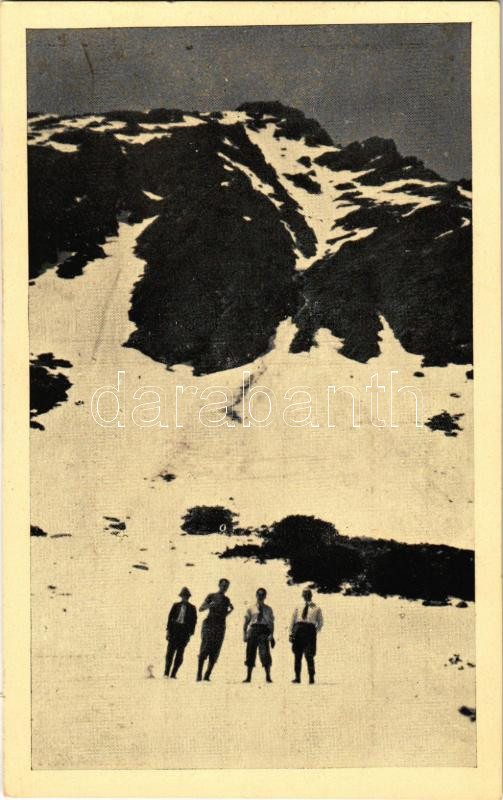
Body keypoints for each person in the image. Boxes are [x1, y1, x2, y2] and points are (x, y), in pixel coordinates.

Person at [197, 578, 234, 681]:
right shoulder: (211, 596)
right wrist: (210, 605)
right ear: (219, 585)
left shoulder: (227, 600)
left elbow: (224, 614)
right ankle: (199, 675)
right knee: (205, 648)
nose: (224, 587)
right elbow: (201, 608)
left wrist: (230, 611)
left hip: (220, 625)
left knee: (215, 650)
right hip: (209, 624)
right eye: (223, 585)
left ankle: (207, 675)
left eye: (226, 586)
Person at [289, 588, 323, 684]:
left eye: (308, 594)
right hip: (298, 631)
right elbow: (293, 620)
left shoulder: (316, 608)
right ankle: (297, 678)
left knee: (309, 655)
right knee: (297, 655)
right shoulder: (298, 606)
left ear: (311, 595)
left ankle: (311, 678)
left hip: (309, 632)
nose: (306, 596)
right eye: (304, 594)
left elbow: (320, 622)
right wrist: (291, 633)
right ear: (302, 596)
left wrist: (314, 631)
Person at [243, 588, 275, 683]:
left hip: (263, 630)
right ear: (256, 595)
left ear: (265, 596)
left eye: (262, 595)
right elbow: (246, 622)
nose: (260, 596)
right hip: (253, 630)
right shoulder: (251, 608)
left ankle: (268, 677)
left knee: (265, 653)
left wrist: (271, 635)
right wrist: (244, 634)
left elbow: (271, 623)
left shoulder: (268, 609)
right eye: (259, 594)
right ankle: (248, 677)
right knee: (250, 653)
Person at [164, 587, 197, 679]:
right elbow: (170, 618)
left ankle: (173, 674)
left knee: (180, 654)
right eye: (183, 596)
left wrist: (190, 633)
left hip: (184, 633)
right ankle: (166, 673)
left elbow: (194, 622)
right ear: (181, 597)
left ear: (188, 597)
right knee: (170, 653)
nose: (184, 598)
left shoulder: (192, 608)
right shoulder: (176, 605)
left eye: (186, 596)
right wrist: (168, 631)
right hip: (174, 631)